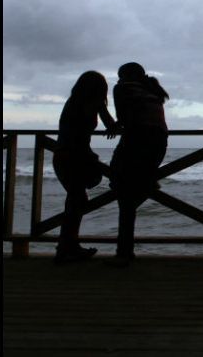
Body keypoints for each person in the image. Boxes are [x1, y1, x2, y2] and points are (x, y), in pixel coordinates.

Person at [108, 62, 169, 267]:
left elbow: (124, 118)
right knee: (129, 191)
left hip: (137, 141)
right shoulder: (152, 91)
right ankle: (148, 183)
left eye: (120, 76)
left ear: (126, 77)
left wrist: (113, 122)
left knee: (120, 189)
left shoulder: (122, 88)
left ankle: (124, 253)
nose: (117, 80)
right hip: (159, 143)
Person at [53, 71, 118, 264]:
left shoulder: (72, 103)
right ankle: (67, 248)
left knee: (75, 201)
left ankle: (67, 247)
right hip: (75, 157)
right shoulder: (92, 104)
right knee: (77, 201)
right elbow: (110, 125)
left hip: (64, 156)